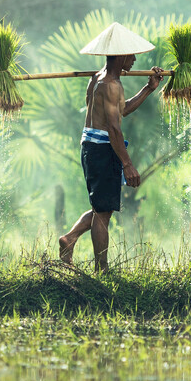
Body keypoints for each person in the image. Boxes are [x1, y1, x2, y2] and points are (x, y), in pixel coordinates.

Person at [58, 23, 164, 273]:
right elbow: (114, 129)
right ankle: (101, 270)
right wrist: (128, 164)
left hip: (91, 146)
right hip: (102, 149)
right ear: (120, 56)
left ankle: (69, 239)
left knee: (100, 207)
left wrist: (149, 88)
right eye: (131, 54)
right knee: (103, 214)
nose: (135, 59)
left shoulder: (99, 79)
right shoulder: (112, 84)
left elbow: (122, 109)